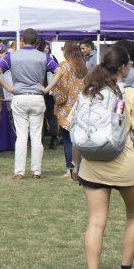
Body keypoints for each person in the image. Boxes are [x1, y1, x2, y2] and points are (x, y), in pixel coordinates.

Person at [76, 44, 134, 269]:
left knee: (95, 221)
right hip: (125, 166)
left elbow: (78, 131)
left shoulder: (89, 93)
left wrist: (75, 164)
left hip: (92, 166)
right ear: (123, 67)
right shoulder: (130, 94)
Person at [0, 28, 57, 180]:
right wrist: (48, 88)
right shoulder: (44, 56)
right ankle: (36, 171)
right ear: (37, 42)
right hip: (37, 97)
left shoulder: (11, 56)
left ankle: (19, 172)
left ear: (22, 40)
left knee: (21, 137)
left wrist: (8, 87)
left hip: (19, 97)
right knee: (36, 136)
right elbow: (59, 71)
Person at [46, 41, 87, 179]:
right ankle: (80, 168)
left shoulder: (64, 65)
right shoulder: (82, 66)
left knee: (68, 140)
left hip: (66, 108)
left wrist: (56, 98)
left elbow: (60, 88)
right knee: (79, 139)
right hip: (80, 106)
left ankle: (70, 170)